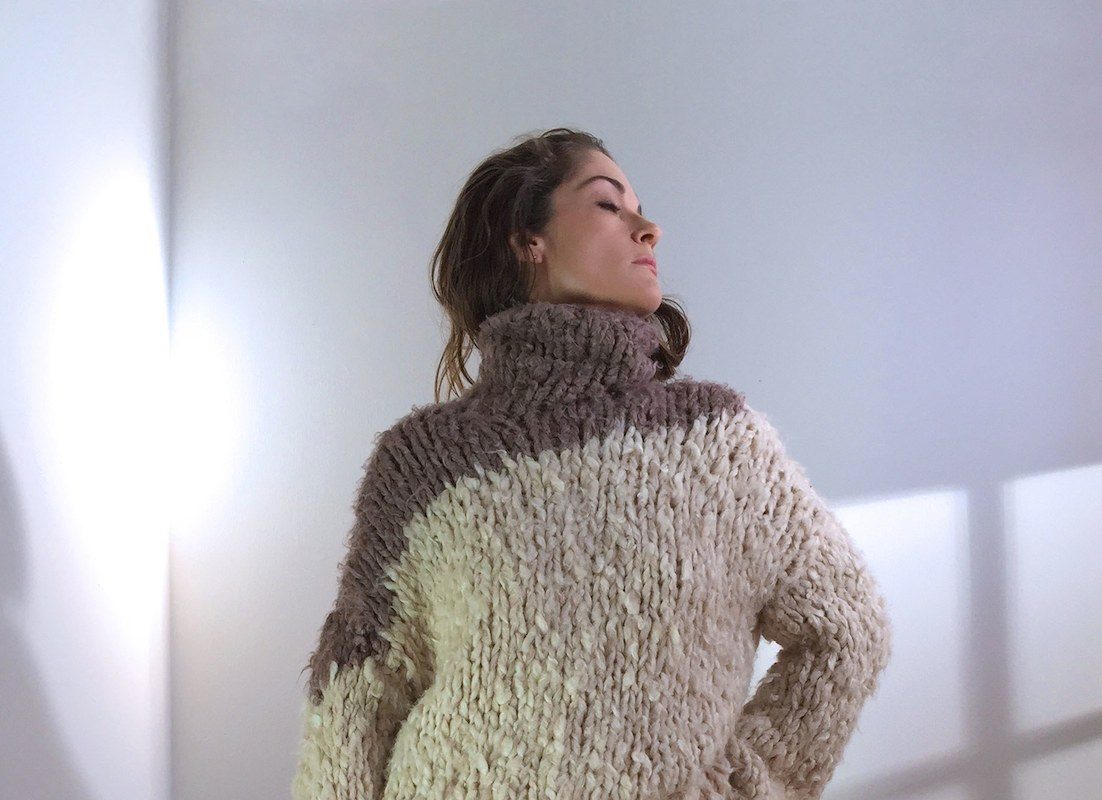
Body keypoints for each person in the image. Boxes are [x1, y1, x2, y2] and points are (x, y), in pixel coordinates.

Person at [291, 128, 892, 800]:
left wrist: (751, 784)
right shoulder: (424, 461)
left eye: (640, 209)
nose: (648, 228)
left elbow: (848, 630)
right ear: (528, 240)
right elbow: (358, 687)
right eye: (609, 204)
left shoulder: (718, 442)